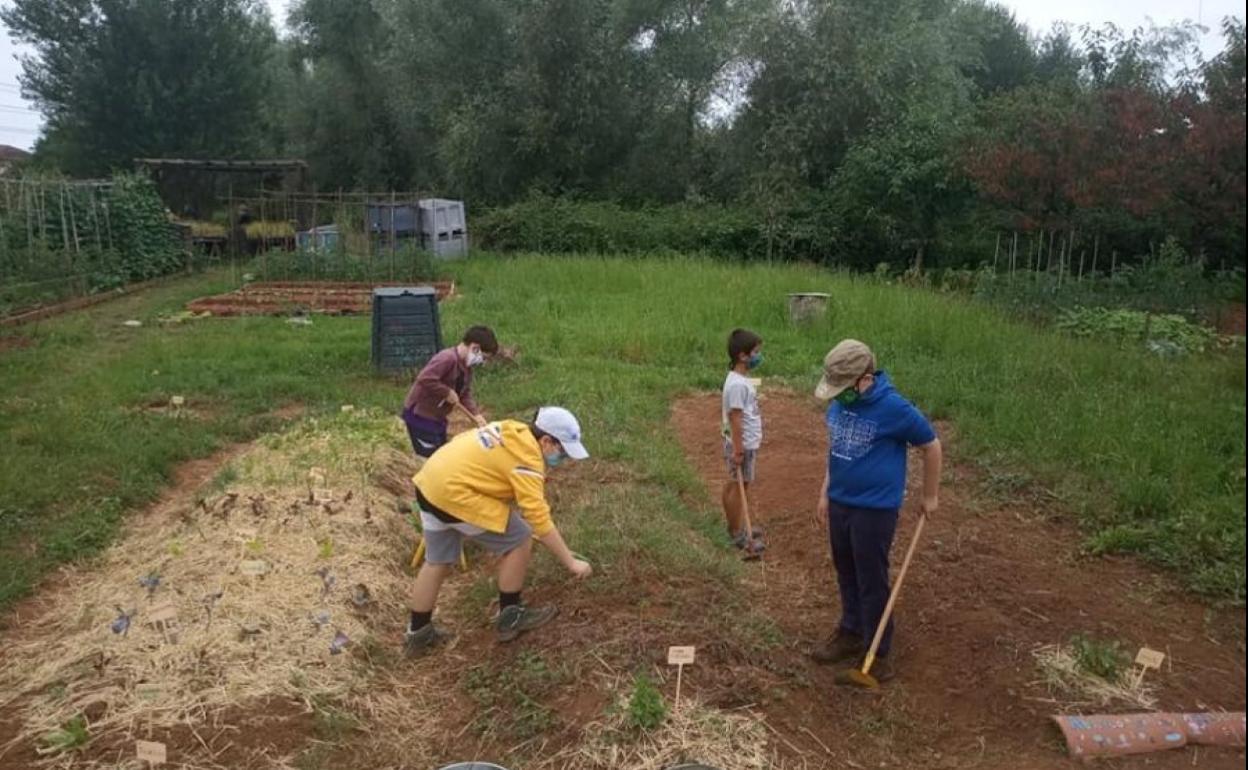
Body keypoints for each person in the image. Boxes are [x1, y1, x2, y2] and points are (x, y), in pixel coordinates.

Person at [403, 406, 594, 655]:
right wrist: (571, 562)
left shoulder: (512, 430)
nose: (565, 461)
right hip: (455, 494)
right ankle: (511, 616)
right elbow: (537, 515)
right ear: (546, 441)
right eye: (564, 452)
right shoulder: (528, 459)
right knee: (520, 538)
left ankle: (418, 633)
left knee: (437, 561)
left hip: (431, 482)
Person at [810, 339, 942, 683]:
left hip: (874, 510)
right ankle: (850, 631)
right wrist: (826, 491)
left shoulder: (894, 408)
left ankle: (876, 650)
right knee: (846, 570)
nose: (837, 394)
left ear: (864, 378)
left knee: (871, 578)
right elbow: (836, 448)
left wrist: (930, 496)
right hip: (841, 502)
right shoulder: (840, 404)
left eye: (842, 387)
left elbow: (931, 445)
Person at [402, 326, 499, 459]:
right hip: (420, 416)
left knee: (442, 453)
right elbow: (425, 378)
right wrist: (446, 392)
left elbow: (464, 393)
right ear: (475, 348)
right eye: (483, 357)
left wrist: (475, 414)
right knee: (430, 458)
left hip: (438, 419)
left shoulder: (466, 368)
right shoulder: (447, 359)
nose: (482, 361)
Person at [721, 328, 765, 552]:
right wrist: (738, 449)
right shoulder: (737, 384)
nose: (759, 356)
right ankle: (737, 532)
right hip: (742, 443)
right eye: (756, 352)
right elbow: (735, 418)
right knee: (739, 486)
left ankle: (735, 527)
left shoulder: (740, 380)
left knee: (738, 485)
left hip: (743, 442)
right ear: (743, 355)